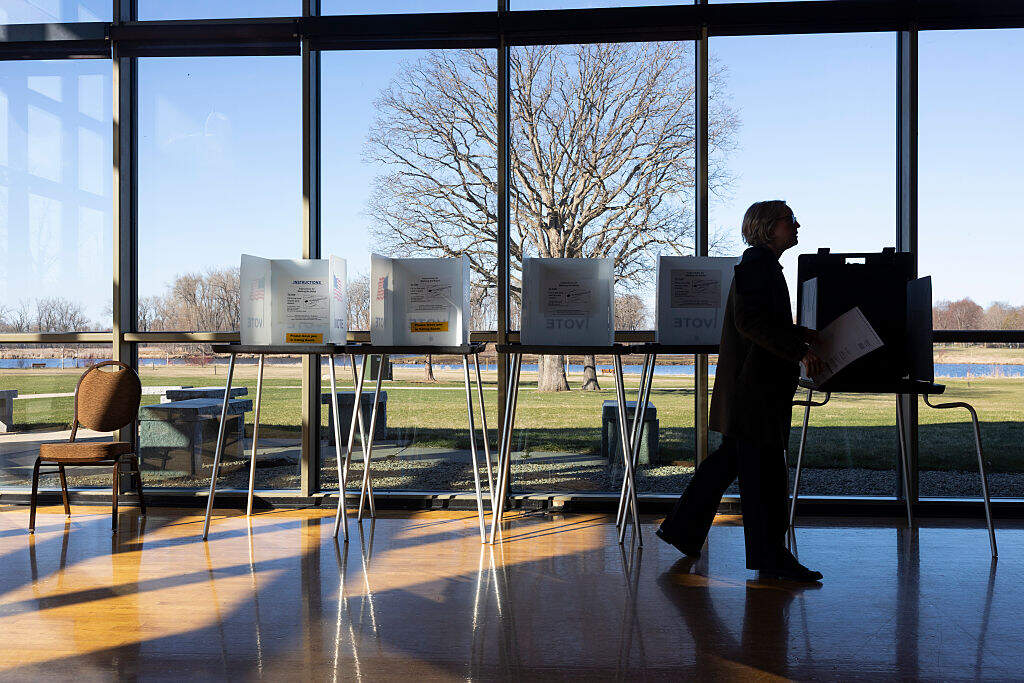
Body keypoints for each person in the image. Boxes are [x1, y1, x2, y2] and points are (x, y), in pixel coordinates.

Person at [656, 200, 825, 582]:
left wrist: (799, 333)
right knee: (765, 476)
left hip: (750, 390)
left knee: (729, 462)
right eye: (789, 220)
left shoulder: (760, 266)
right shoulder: (757, 267)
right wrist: (799, 350)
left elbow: (760, 322)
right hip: (756, 391)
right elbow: (750, 323)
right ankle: (769, 556)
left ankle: (682, 529)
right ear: (768, 227)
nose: (797, 225)